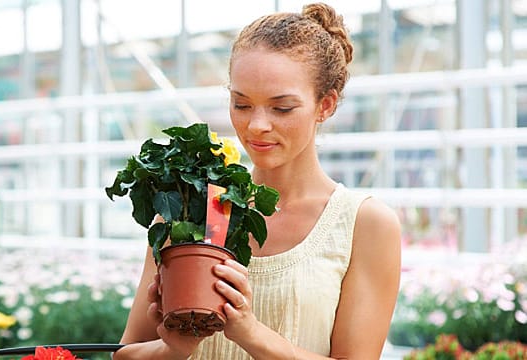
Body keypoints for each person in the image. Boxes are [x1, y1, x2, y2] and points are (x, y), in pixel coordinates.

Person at [113, 3, 401, 359]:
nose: (257, 125)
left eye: (282, 108)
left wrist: (250, 332)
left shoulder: (364, 224)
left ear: (325, 105)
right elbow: (126, 353)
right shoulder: (190, 207)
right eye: (242, 104)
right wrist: (174, 347)